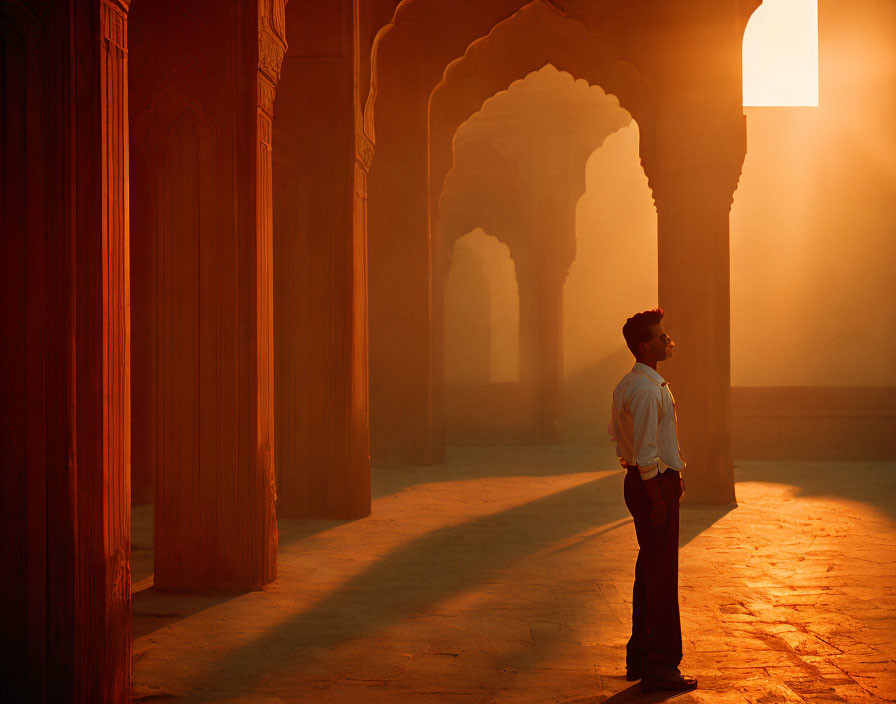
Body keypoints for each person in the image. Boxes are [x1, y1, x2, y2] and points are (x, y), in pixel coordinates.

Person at [608, 308, 697, 693]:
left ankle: (641, 655)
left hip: (648, 482)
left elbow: (616, 435)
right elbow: (645, 453)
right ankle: (660, 663)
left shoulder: (632, 384)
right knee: (660, 574)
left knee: (650, 569)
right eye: (661, 336)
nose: (667, 340)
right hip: (653, 485)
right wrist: (658, 498)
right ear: (645, 346)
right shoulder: (646, 391)